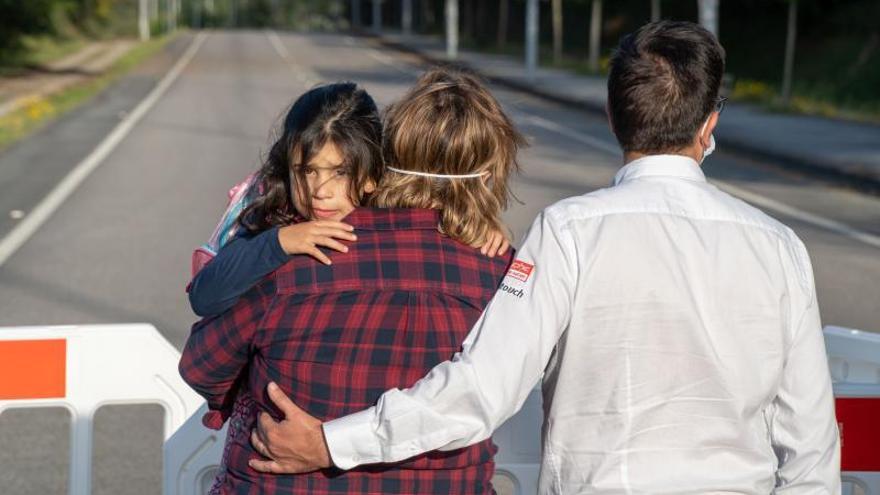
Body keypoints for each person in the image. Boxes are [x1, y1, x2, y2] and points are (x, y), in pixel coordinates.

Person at [247, 21, 842, 494]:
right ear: (709, 126)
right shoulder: (779, 247)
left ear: (612, 117)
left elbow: (480, 390)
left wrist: (333, 444)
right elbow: (811, 448)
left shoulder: (570, 233)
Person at [179, 67, 526, 494]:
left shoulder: (295, 269)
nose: (321, 191)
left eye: (338, 173)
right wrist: (278, 243)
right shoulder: (498, 270)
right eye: (306, 172)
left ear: (375, 172)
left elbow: (203, 366)